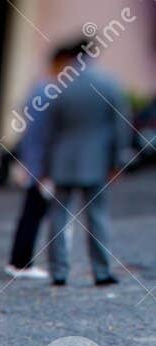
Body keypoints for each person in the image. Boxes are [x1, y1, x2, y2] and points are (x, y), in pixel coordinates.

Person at [33, 40, 133, 287]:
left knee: (58, 215)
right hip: (96, 160)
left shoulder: (61, 84)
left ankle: (58, 271)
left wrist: (44, 164)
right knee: (97, 216)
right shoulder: (108, 83)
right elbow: (120, 125)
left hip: (62, 159)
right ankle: (101, 271)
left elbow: (49, 130)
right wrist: (117, 161)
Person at [4, 64, 52, 279]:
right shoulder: (48, 90)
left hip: (36, 165)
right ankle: (21, 261)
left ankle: (20, 260)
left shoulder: (40, 88)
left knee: (32, 212)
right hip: (41, 167)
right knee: (34, 212)